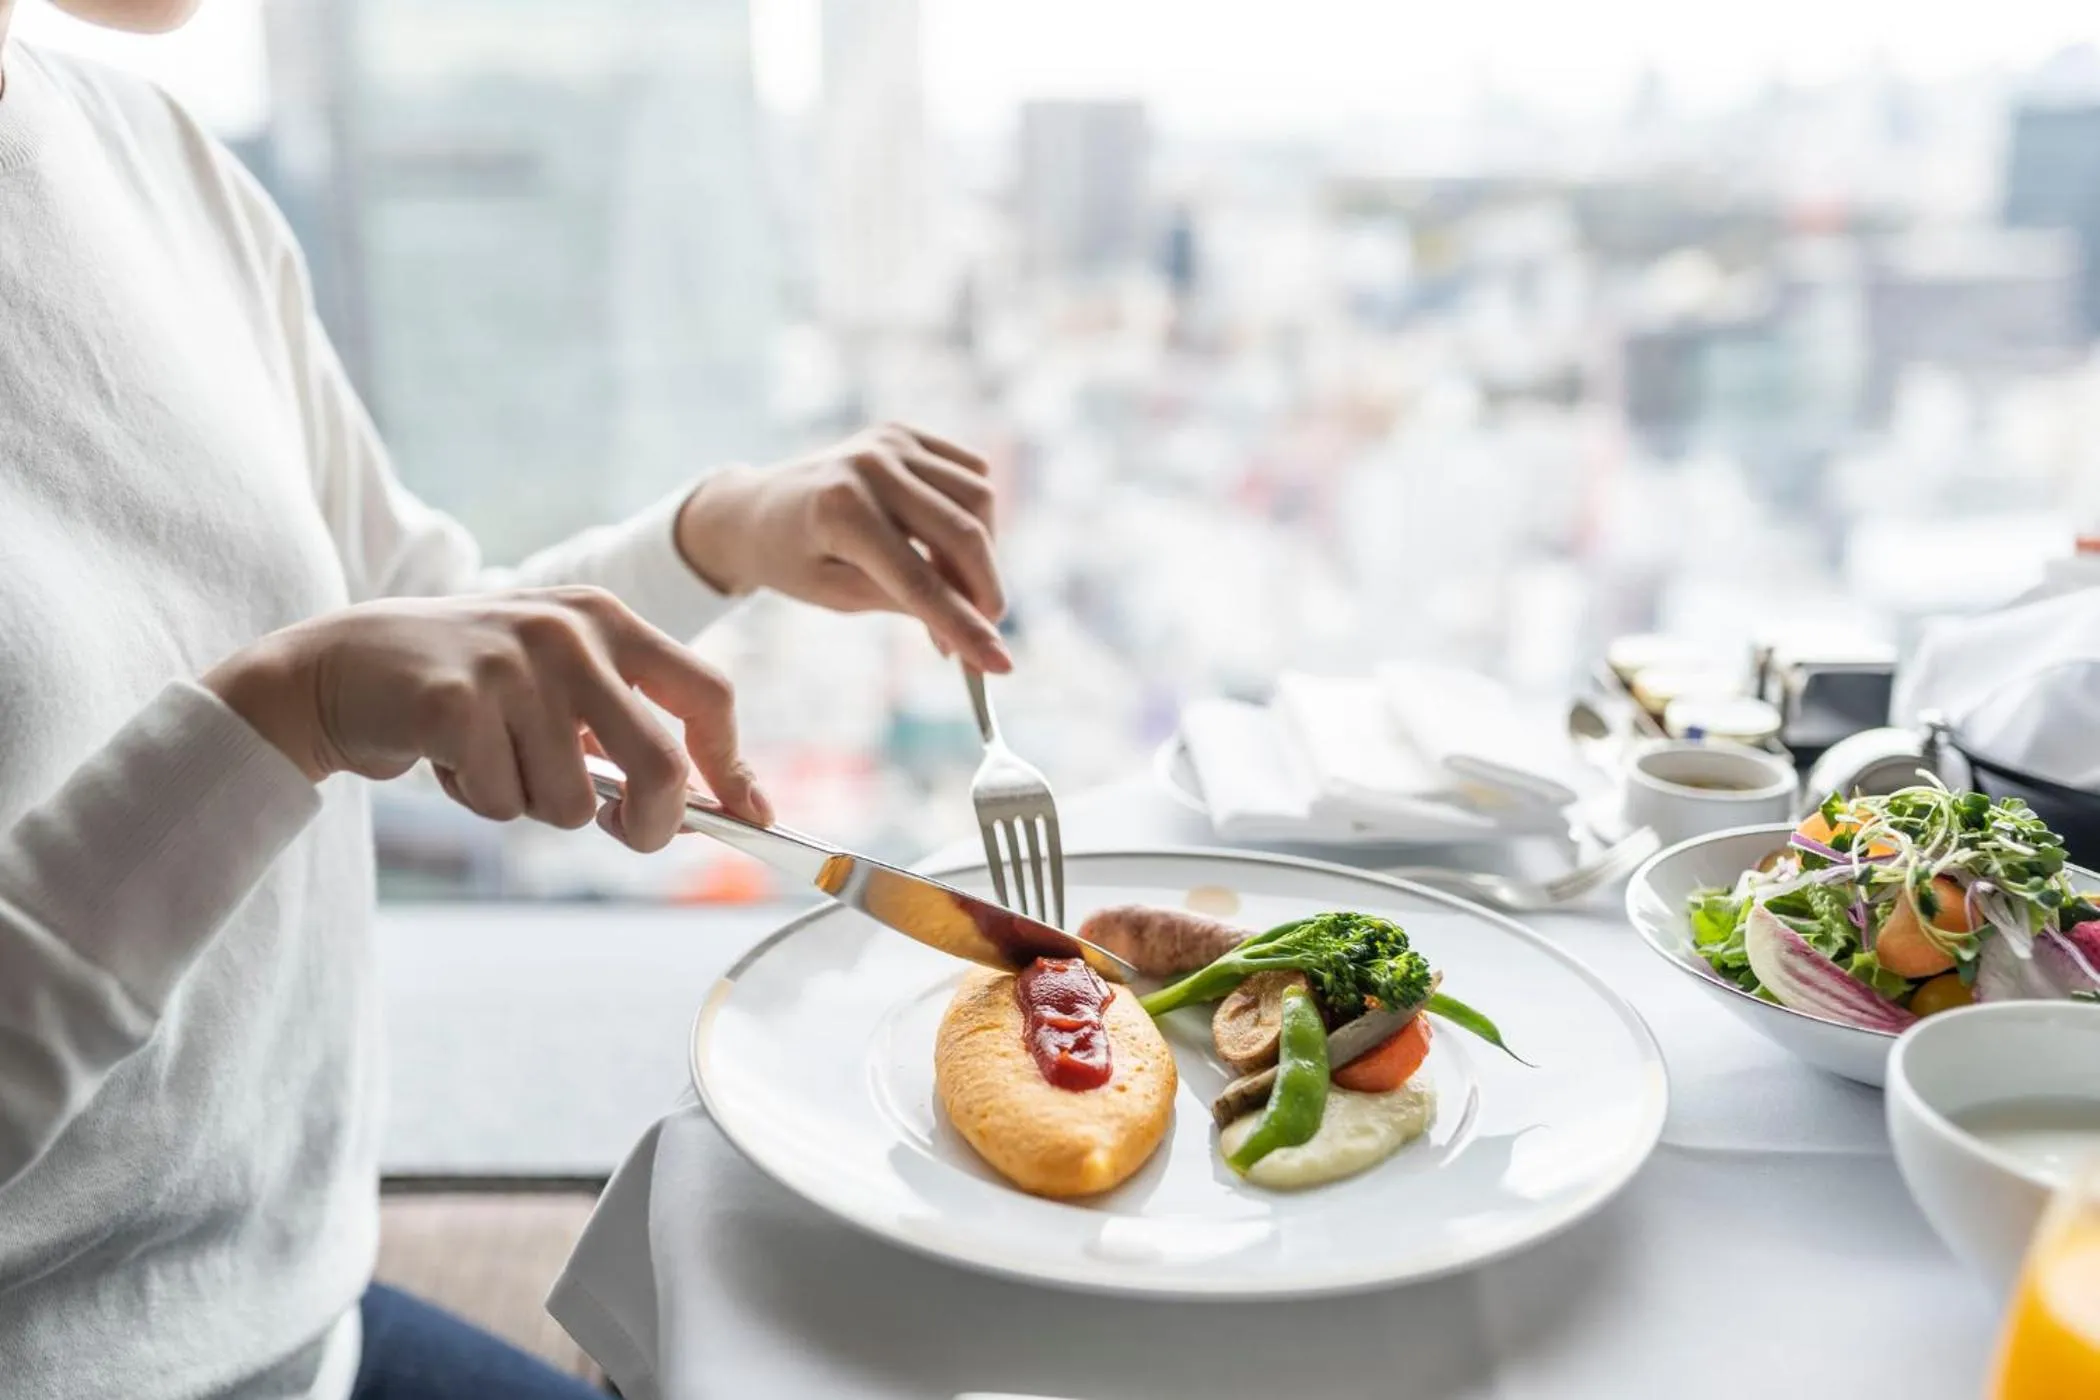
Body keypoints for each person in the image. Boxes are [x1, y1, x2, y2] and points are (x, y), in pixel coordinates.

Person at [0, 1, 1011, 1395]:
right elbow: (323, 691)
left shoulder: (156, 160)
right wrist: (278, 715)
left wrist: (723, 533)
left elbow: (425, 647)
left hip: (303, 1325)